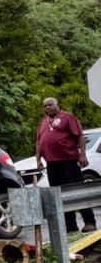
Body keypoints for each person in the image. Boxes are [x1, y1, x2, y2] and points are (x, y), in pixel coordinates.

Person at [35, 97, 97, 232]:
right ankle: (70, 224)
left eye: (50, 105)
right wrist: (38, 159)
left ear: (57, 105)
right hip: (52, 162)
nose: (47, 108)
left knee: (76, 190)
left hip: (68, 159)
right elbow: (39, 142)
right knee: (59, 193)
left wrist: (82, 154)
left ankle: (89, 221)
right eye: (45, 106)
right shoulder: (43, 123)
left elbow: (79, 135)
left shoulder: (67, 117)